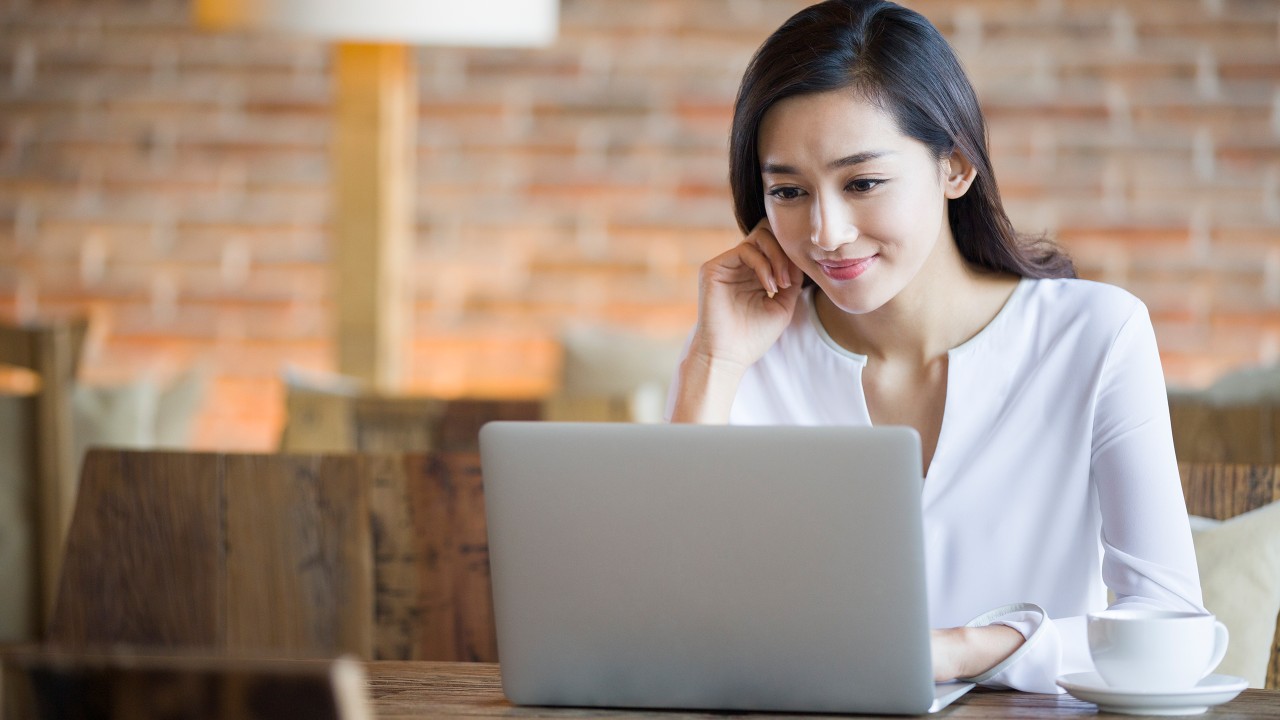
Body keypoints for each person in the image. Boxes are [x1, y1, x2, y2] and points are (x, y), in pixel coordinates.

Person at [667, 0, 1204, 693]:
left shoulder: (1095, 335)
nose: (825, 231)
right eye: (789, 191)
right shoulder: (742, 351)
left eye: (862, 182)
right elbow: (669, 620)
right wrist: (714, 365)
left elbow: (1171, 626)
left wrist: (961, 650)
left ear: (954, 167)